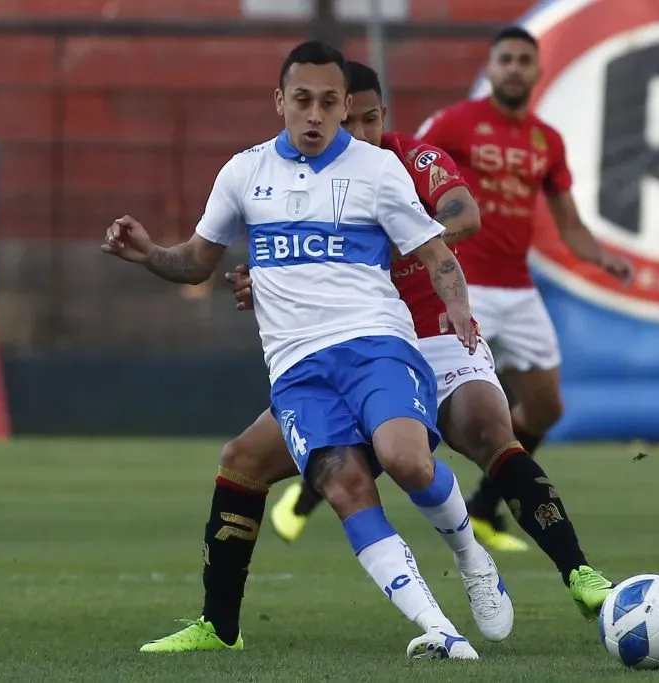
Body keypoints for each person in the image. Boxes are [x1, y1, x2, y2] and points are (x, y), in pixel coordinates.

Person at [103, 41, 510, 660]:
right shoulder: (243, 173)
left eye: (328, 103)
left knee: (406, 459)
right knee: (336, 483)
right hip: (298, 371)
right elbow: (194, 263)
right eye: (302, 101)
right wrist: (147, 253)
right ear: (280, 102)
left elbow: (434, 251)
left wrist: (455, 304)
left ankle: (470, 556)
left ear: (346, 107)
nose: (314, 115)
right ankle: (439, 629)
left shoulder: (377, 171)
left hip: (376, 346)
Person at [258, 58, 612, 610]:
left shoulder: (412, 158)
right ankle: (222, 614)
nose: (361, 135)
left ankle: (580, 574)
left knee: (493, 431)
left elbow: (464, 213)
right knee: (248, 460)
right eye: (347, 122)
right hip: (349, 347)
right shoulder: (289, 178)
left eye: (370, 119)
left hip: (435, 335)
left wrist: (405, 237)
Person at [415, 27, 633, 551]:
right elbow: (407, 171)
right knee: (447, 407)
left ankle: (485, 503)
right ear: (490, 69)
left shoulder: (546, 141)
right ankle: (321, 489)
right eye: (505, 59)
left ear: (537, 72)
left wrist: (601, 256)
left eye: (523, 60)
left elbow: (569, 221)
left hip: (519, 289)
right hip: (466, 285)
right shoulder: (453, 123)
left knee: (546, 408)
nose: (513, 68)